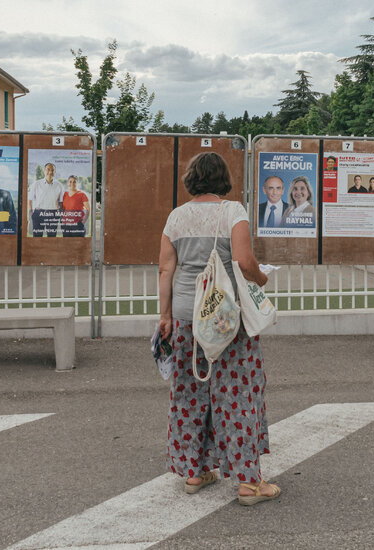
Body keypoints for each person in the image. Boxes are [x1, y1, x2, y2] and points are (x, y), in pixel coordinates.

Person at [158, 151, 280, 506]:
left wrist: (164, 315)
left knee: (189, 393)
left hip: (184, 316)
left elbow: (165, 270)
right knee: (238, 395)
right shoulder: (232, 212)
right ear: (223, 178)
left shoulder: (176, 217)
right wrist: (262, 278)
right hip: (225, 318)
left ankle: (194, 471)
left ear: (192, 179)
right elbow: (243, 262)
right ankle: (248, 483)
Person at [29, 162, 65, 237]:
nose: (50, 172)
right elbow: (30, 199)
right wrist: (31, 213)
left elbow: (61, 202)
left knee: (52, 237)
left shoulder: (59, 185)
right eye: (48, 169)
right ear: (44, 171)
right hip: (38, 213)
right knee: (37, 237)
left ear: (55, 172)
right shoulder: (36, 184)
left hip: (53, 214)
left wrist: (60, 215)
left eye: (52, 170)